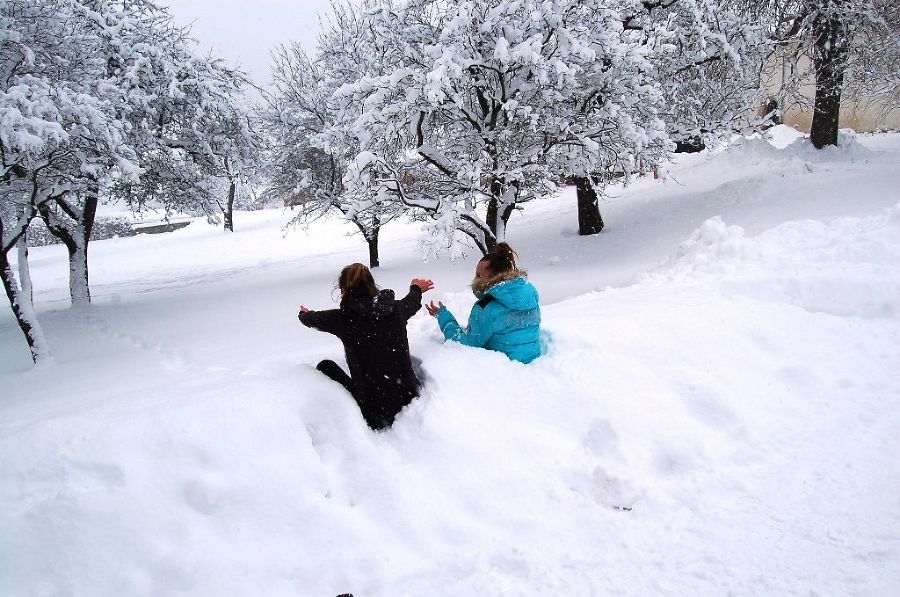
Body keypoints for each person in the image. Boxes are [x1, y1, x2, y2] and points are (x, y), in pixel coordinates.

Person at [299, 263, 434, 430]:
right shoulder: (396, 310)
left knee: (325, 365)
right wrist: (416, 288)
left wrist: (304, 314)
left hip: (374, 411)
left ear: (343, 288)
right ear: (372, 284)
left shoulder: (342, 319)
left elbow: (312, 319)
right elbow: (412, 302)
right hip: (408, 398)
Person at [426, 242, 541, 363]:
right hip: (533, 363)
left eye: (479, 274)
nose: (475, 278)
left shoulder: (485, 307)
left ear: (493, 277)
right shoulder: (529, 293)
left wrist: (444, 318)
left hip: (506, 369)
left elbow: (466, 343)